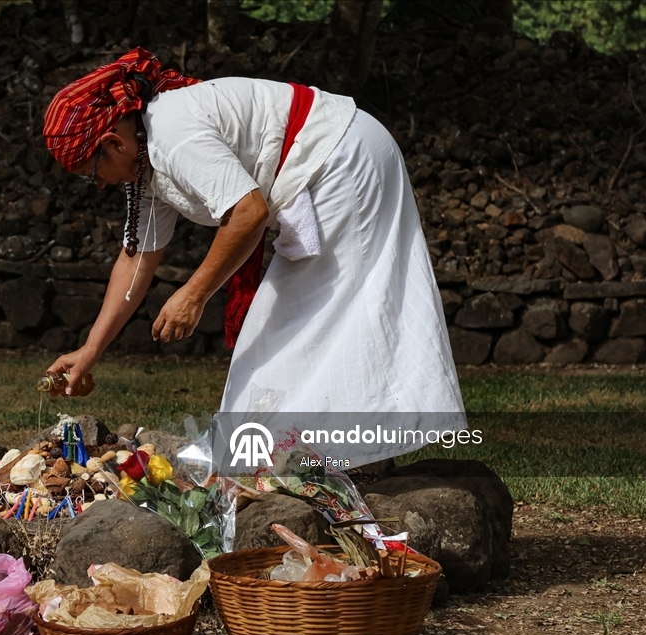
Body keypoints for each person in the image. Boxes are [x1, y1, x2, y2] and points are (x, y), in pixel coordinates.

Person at [42, 47, 465, 461]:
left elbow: (248, 213)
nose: (98, 185)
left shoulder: (172, 134)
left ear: (114, 143)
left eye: (90, 174)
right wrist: (91, 350)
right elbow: (137, 259)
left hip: (342, 160)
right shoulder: (146, 162)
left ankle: (321, 456)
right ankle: (321, 454)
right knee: (313, 323)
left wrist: (193, 294)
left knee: (304, 326)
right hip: (333, 160)